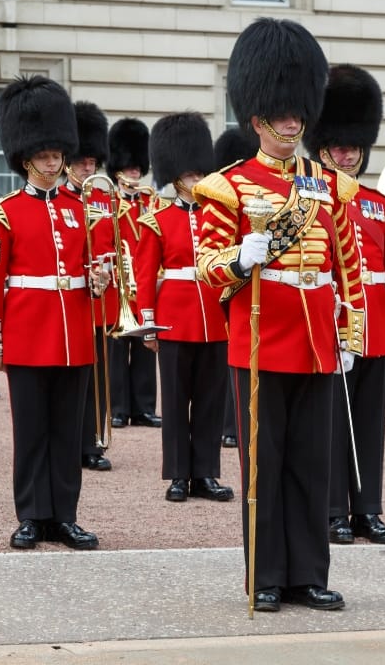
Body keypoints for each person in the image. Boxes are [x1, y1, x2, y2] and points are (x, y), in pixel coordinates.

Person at [194, 18, 365, 613]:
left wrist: (349, 333)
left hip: (317, 341)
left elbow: (348, 266)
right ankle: (265, 575)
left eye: (298, 114)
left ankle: (307, 575)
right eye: (282, 115)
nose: (293, 124)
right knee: (264, 468)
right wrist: (242, 259)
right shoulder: (229, 188)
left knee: (312, 466)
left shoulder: (330, 187)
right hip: (262, 339)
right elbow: (206, 268)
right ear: (258, 118)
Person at [0, 75, 108, 550]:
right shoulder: (4, 211)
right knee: (31, 431)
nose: (54, 163)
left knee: (68, 433)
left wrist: (100, 280)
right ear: (26, 158)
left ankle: (64, 516)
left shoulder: (81, 208)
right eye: (45, 156)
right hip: (28, 335)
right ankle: (32, 515)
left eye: (58, 155)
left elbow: (94, 266)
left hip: (73, 334)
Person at [303, 64, 385, 545]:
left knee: (368, 423)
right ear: (323, 149)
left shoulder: (377, 202)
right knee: (332, 424)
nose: (346, 154)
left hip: (376, 326)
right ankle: (332, 511)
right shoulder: (311, 197)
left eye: (353, 148)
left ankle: (367, 510)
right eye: (339, 147)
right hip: (333, 323)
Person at [136, 112, 233, 503]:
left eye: (199, 173)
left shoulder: (219, 217)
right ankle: (178, 474)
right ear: (175, 176)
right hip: (174, 318)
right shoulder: (157, 220)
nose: (195, 180)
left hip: (215, 316)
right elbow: (145, 275)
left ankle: (206, 473)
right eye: (189, 174)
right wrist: (148, 322)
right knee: (176, 401)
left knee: (211, 400)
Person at [64, 100, 117, 472]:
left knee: (99, 376)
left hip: (103, 297)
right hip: (72, 299)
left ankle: (94, 441)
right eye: (82, 161)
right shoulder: (62, 201)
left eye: (92, 161)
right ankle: (73, 441)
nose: (88, 167)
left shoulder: (106, 198)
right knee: (73, 376)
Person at [106, 117, 161, 429]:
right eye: (129, 167)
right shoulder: (108, 203)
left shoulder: (151, 202)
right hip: (119, 283)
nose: (134, 172)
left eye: (138, 167)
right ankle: (118, 407)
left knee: (145, 347)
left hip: (145, 281)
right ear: (118, 169)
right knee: (117, 349)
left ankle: (143, 407)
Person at [212, 126, 260, 450]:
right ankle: (228, 424)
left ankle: (234, 423)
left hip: (249, 284)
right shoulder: (224, 195)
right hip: (228, 280)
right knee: (227, 360)